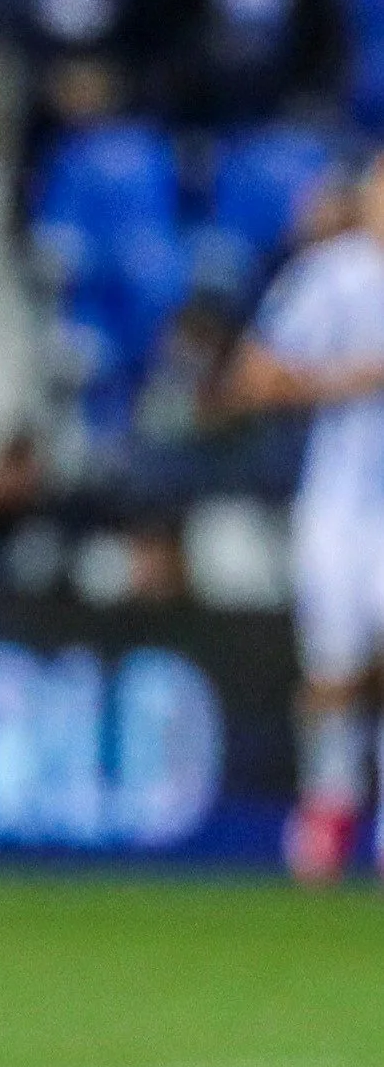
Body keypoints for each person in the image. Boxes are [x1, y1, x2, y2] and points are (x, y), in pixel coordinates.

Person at [218, 152, 384, 886]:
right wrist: (355, 377)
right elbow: (252, 378)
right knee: (335, 660)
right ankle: (329, 802)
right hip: (343, 501)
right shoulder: (335, 276)